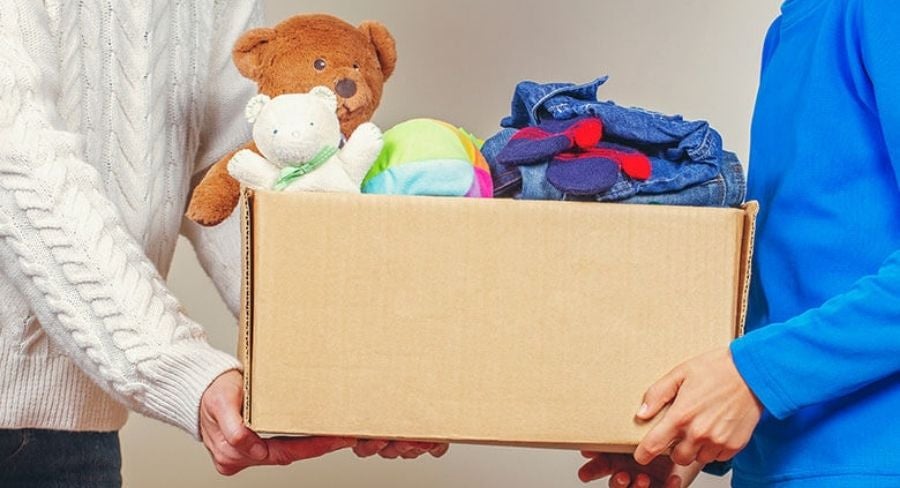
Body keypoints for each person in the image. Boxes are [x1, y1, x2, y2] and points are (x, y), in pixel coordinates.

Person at [0, 2, 445, 486]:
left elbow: (244, 170)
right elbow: (18, 164)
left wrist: (353, 359)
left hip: (76, 426)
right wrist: (180, 368)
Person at [579, 0, 900, 486]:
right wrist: (697, 425)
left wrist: (754, 375)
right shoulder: (793, 27)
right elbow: (798, 272)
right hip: (782, 467)